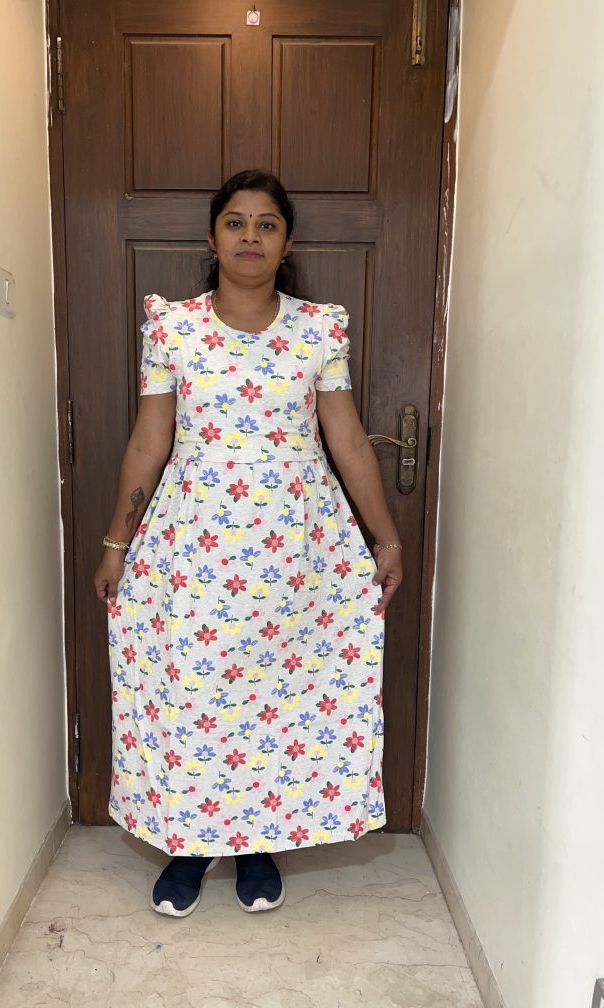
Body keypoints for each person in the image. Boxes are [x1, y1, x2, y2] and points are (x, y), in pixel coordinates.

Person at [93, 169, 403, 918]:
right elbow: (149, 442)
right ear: (213, 237)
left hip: (298, 553)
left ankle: (258, 842)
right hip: (194, 547)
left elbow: (347, 440)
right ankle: (191, 843)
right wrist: (115, 542)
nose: (251, 237)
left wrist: (385, 536)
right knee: (195, 695)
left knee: (278, 698)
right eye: (236, 222)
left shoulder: (319, 329)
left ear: (287, 243)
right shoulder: (172, 328)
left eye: (268, 224)